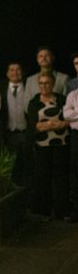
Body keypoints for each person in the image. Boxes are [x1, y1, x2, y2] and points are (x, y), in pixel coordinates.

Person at [27, 72, 70, 220]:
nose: (44, 86)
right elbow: (35, 125)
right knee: (42, 177)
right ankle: (43, 211)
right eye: (41, 83)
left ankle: (62, 211)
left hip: (62, 144)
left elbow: (68, 119)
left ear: (53, 84)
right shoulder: (34, 102)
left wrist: (61, 124)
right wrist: (54, 125)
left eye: (47, 83)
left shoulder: (62, 99)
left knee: (61, 177)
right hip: (42, 145)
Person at [0, 62, 30, 187]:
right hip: (9, 133)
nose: (15, 73)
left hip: (26, 131)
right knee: (11, 164)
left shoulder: (29, 88)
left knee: (27, 163)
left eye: (18, 70)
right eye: (12, 70)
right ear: (7, 74)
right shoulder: (1, 90)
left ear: (22, 73)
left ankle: (28, 189)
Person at [63, 86, 78, 221]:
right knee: (75, 170)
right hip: (76, 135)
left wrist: (75, 111)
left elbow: (71, 114)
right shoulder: (72, 94)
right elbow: (66, 115)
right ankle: (76, 209)